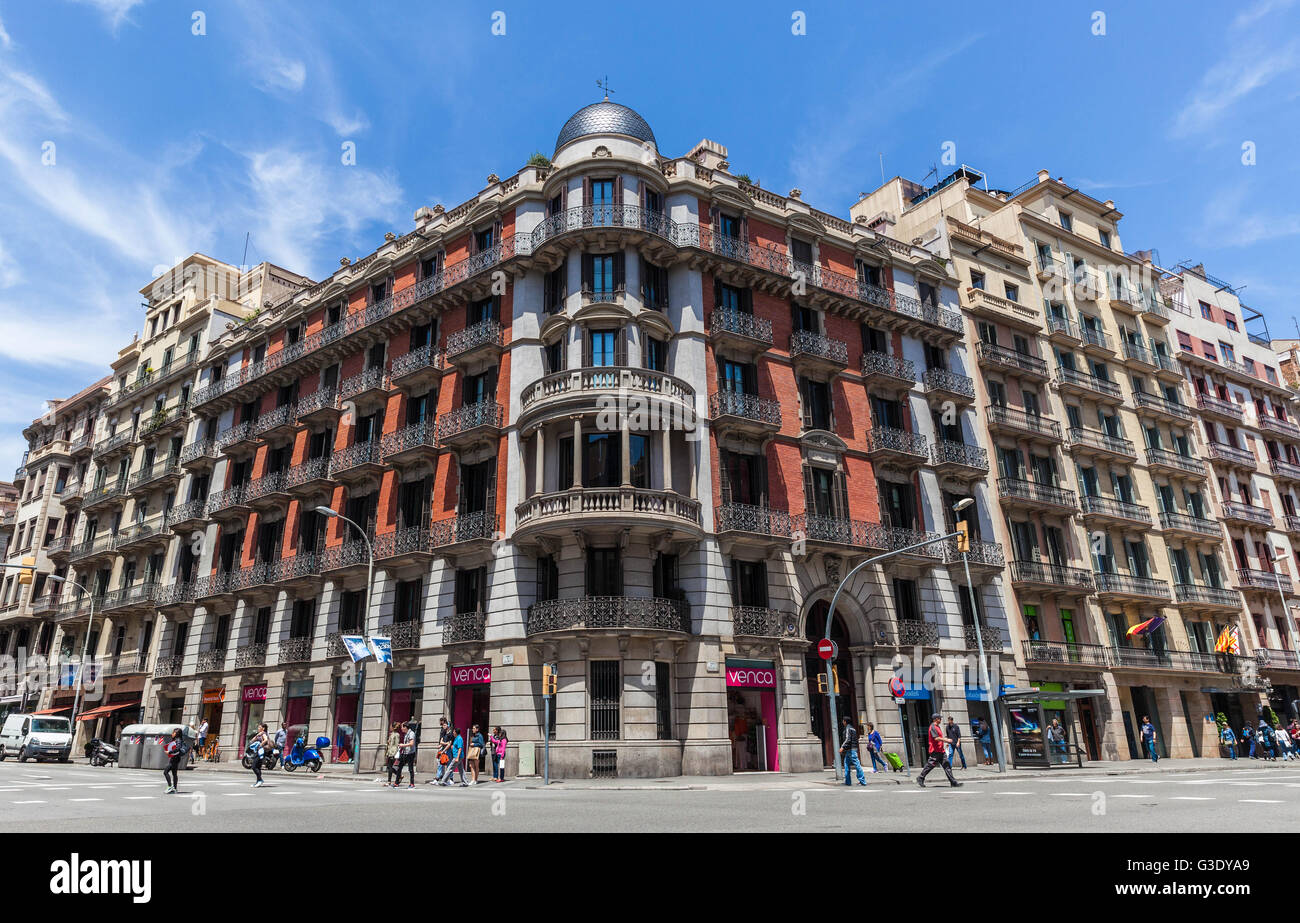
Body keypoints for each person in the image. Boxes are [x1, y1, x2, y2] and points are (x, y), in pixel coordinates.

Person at [916, 715, 961, 788]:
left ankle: (953, 782)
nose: (940, 720)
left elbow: (939, 737)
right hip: (935, 750)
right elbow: (936, 738)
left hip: (941, 750)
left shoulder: (938, 727)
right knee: (930, 765)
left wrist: (945, 740)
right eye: (940, 718)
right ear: (936, 719)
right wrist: (946, 740)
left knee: (947, 765)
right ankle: (921, 777)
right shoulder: (932, 727)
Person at [839, 716, 866, 786]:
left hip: (851, 749)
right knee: (846, 764)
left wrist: (842, 747)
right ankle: (848, 782)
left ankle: (862, 781)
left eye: (843, 721)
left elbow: (848, 739)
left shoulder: (848, 728)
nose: (842, 722)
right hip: (851, 749)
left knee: (857, 765)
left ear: (845, 721)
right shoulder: (853, 728)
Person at [429, 717, 453, 784]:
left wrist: (444, 746)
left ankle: (451, 779)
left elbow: (449, 743)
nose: (443, 726)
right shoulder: (444, 732)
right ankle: (437, 778)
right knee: (440, 764)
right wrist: (443, 744)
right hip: (443, 749)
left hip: (447, 751)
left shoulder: (450, 733)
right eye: (443, 725)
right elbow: (441, 741)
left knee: (449, 764)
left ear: (448, 725)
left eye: (445, 725)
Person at [395, 722, 417, 787]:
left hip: (410, 753)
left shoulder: (411, 733)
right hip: (404, 753)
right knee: (399, 767)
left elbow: (411, 743)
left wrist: (403, 745)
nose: (401, 728)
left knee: (410, 769)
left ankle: (412, 783)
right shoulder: (406, 734)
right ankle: (396, 782)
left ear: (405, 727)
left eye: (402, 727)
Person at [248, 723, 270, 787]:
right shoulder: (260, 734)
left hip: (261, 752)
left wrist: (260, 745)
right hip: (258, 751)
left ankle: (260, 780)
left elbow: (266, 740)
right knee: (257, 767)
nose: (258, 728)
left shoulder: (263, 734)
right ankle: (258, 781)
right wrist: (257, 735)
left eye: (259, 727)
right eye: (258, 727)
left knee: (254, 766)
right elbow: (252, 741)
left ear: (263, 728)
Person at [163, 728, 184, 794]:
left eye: (173, 732)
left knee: (165, 772)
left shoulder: (178, 740)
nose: (172, 734)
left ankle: (170, 786)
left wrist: (169, 752)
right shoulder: (177, 740)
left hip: (175, 759)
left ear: (176, 734)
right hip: (175, 758)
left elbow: (177, 749)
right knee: (174, 774)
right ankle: (175, 788)